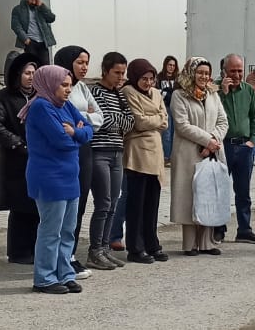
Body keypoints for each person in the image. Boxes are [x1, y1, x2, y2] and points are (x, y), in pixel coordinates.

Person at [22, 64, 93, 294]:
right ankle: (44, 277)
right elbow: (61, 141)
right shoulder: (42, 106)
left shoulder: (65, 105)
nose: (68, 90)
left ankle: (65, 273)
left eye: (69, 85)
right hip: (49, 177)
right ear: (50, 84)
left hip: (70, 176)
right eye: (63, 85)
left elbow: (90, 129)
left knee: (68, 230)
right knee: (51, 230)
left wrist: (76, 132)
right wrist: (75, 133)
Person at [170, 57, 229, 256]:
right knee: (190, 195)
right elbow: (182, 124)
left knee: (209, 195)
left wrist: (213, 142)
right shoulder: (179, 95)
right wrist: (207, 141)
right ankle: (190, 244)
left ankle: (207, 242)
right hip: (188, 152)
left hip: (212, 152)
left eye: (206, 73)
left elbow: (223, 121)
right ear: (191, 72)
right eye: (200, 72)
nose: (204, 76)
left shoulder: (213, 94)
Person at [54, 46, 102, 277]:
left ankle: (70, 253)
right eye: (80, 62)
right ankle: (61, 256)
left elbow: (99, 118)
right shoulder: (57, 86)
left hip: (84, 146)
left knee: (81, 202)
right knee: (65, 205)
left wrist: (81, 122)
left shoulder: (82, 87)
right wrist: (84, 118)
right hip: (67, 149)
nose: (84, 67)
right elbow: (65, 117)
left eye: (87, 62)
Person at [0, 54, 40, 265]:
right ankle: (18, 252)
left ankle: (35, 248)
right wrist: (18, 143)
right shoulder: (4, 97)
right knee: (20, 206)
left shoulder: (40, 96)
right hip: (15, 159)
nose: (31, 77)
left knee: (37, 205)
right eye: (26, 73)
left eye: (33, 73)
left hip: (37, 158)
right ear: (17, 74)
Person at [120, 57, 170, 264]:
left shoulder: (157, 93)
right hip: (137, 153)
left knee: (152, 203)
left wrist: (154, 119)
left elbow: (165, 121)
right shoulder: (128, 92)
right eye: (144, 79)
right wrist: (155, 119)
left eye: (151, 78)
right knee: (136, 204)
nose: (148, 83)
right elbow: (138, 122)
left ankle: (152, 243)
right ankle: (135, 247)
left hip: (155, 153)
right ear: (134, 77)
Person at [84, 52, 131, 269]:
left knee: (113, 201)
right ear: (105, 70)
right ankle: (94, 250)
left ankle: (105, 248)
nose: (121, 77)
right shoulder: (95, 92)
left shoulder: (120, 95)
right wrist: (116, 121)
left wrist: (116, 120)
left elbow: (131, 122)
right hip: (99, 151)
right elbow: (101, 121)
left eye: (123, 72)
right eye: (117, 72)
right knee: (102, 202)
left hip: (117, 151)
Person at [216, 54, 255, 244]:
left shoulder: (248, 91)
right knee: (220, 190)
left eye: (240, 71)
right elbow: (213, 114)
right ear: (224, 71)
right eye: (232, 71)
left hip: (244, 147)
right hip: (223, 146)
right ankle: (218, 228)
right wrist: (224, 94)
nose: (236, 75)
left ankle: (244, 229)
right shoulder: (216, 91)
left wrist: (253, 140)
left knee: (243, 191)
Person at [10, 0, 55, 68]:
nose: (33, 1)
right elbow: (15, 26)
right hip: (30, 42)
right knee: (32, 65)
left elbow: (51, 18)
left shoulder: (40, 8)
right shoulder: (18, 9)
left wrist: (42, 6)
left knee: (45, 66)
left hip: (43, 42)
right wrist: (25, 39)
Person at [158, 55, 180, 162]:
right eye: (170, 65)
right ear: (165, 65)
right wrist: (166, 94)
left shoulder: (178, 78)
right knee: (166, 132)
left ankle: (173, 156)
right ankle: (166, 156)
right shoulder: (159, 77)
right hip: (165, 107)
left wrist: (167, 93)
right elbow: (158, 92)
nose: (171, 67)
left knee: (175, 132)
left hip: (176, 107)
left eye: (173, 65)